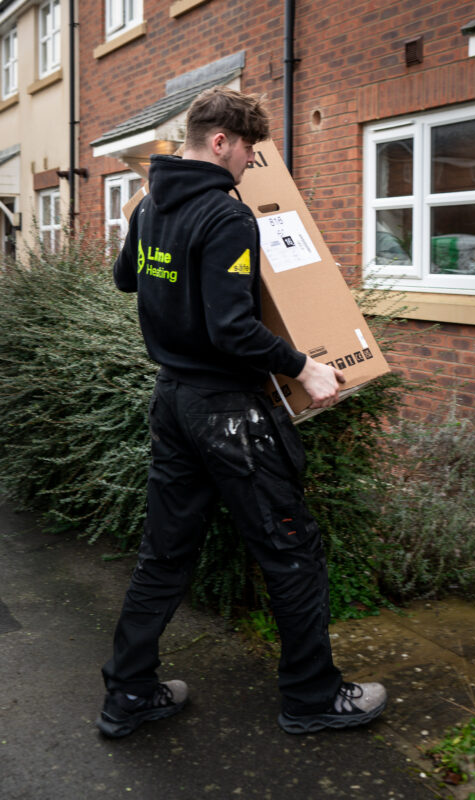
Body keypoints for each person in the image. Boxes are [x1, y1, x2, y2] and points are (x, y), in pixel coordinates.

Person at [96, 86, 386, 739]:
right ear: (220, 140)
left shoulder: (148, 207)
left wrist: (152, 242)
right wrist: (305, 366)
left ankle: (129, 695)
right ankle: (312, 696)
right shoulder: (227, 217)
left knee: (164, 555)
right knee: (293, 550)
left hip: (172, 402)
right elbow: (233, 329)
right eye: (247, 149)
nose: (249, 164)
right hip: (228, 412)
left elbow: (124, 279)